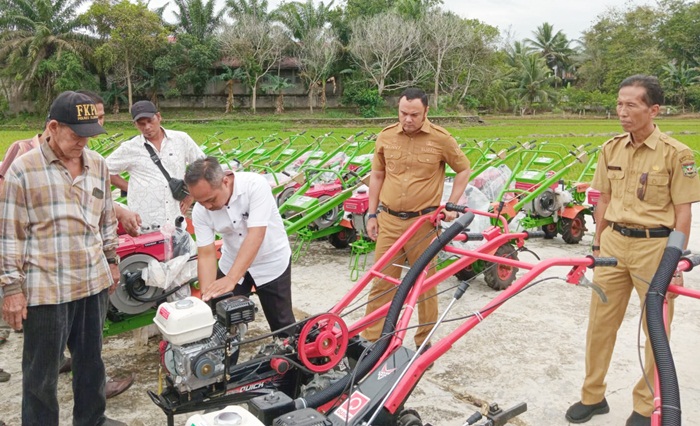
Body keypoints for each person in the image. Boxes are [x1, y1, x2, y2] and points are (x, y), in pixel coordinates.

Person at [565, 75, 700, 426]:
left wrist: (675, 258)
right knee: (599, 324)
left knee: (656, 328)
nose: (622, 112)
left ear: (654, 109)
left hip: (656, 248)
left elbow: (684, 211)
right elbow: (603, 199)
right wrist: (597, 245)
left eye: (631, 105)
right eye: (619, 104)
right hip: (613, 244)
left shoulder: (676, 153)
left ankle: (644, 404)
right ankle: (592, 396)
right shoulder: (610, 148)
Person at [0, 91, 126, 425]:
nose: (83, 142)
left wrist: (112, 261)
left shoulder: (97, 164)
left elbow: (107, 218)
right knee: (41, 374)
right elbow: (9, 234)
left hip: (92, 282)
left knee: (91, 362)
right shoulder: (23, 171)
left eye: (89, 135)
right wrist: (11, 290)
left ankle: (92, 420)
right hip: (46, 290)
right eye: (75, 134)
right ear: (53, 127)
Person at [362, 88, 471, 350]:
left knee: (424, 286)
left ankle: (423, 343)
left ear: (426, 113)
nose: (408, 119)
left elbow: (464, 168)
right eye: (403, 113)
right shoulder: (386, 136)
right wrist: (371, 213)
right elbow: (376, 176)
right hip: (388, 220)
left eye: (414, 114)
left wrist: (452, 205)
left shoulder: (441, 139)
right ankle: (370, 341)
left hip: (422, 224)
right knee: (382, 281)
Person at [185, 156, 296, 335]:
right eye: (200, 201)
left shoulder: (255, 186)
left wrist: (231, 279)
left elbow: (256, 235)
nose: (207, 206)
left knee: (282, 325)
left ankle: (290, 359)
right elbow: (206, 253)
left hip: (270, 261)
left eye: (211, 199)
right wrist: (207, 296)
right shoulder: (201, 210)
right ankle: (225, 361)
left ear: (225, 181)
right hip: (232, 260)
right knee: (222, 322)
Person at [106, 100, 205, 230]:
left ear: (159, 117)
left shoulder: (181, 139)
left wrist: (191, 195)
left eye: (150, 121)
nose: (147, 127)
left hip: (176, 220)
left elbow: (203, 165)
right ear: (135, 124)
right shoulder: (130, 148)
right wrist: (130, 188)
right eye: (141, 124)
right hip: (145, 222)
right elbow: (104, 170)